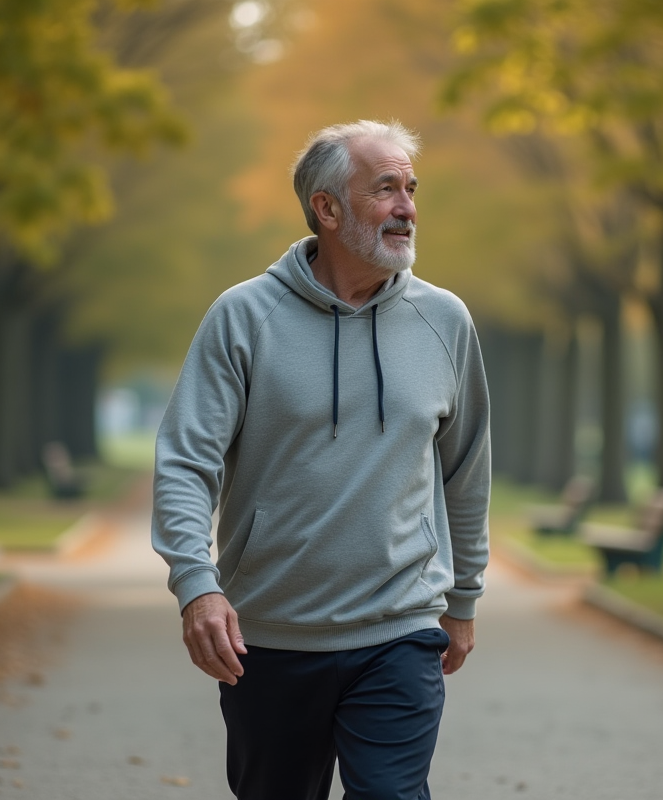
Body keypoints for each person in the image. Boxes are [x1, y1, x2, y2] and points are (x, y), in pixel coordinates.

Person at [151, 119, 491, 800]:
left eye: (411, 189)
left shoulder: (445, 320)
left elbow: (466, 469)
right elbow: (187, 462)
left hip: (400, 630)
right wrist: (196, 584)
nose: (407, 208)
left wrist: (463, 597)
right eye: (385, 189)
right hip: (269, 639)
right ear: (327, 208)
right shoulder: (243, 317)